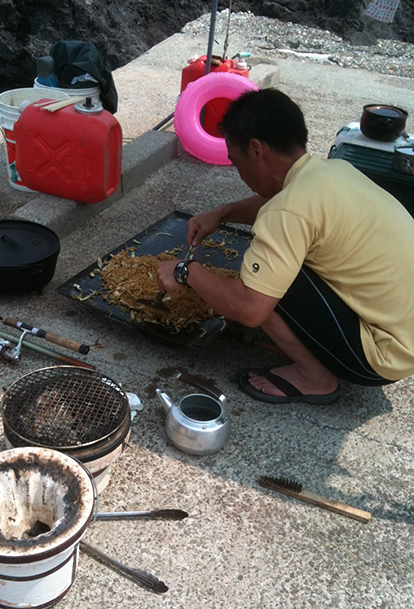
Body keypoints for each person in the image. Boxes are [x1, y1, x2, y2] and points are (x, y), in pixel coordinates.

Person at [156, 88, 414, 404]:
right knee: (280, 258)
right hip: (404, 335)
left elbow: (250, 309)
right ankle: (314, 346)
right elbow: (284, 205)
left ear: (256, 150)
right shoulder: (332, 171)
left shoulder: (288, 211)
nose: (240, 174)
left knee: (260, 284)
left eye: (236, 163)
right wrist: (223, 213)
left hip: (380, 359)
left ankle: (314, 377)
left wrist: (186, 272)